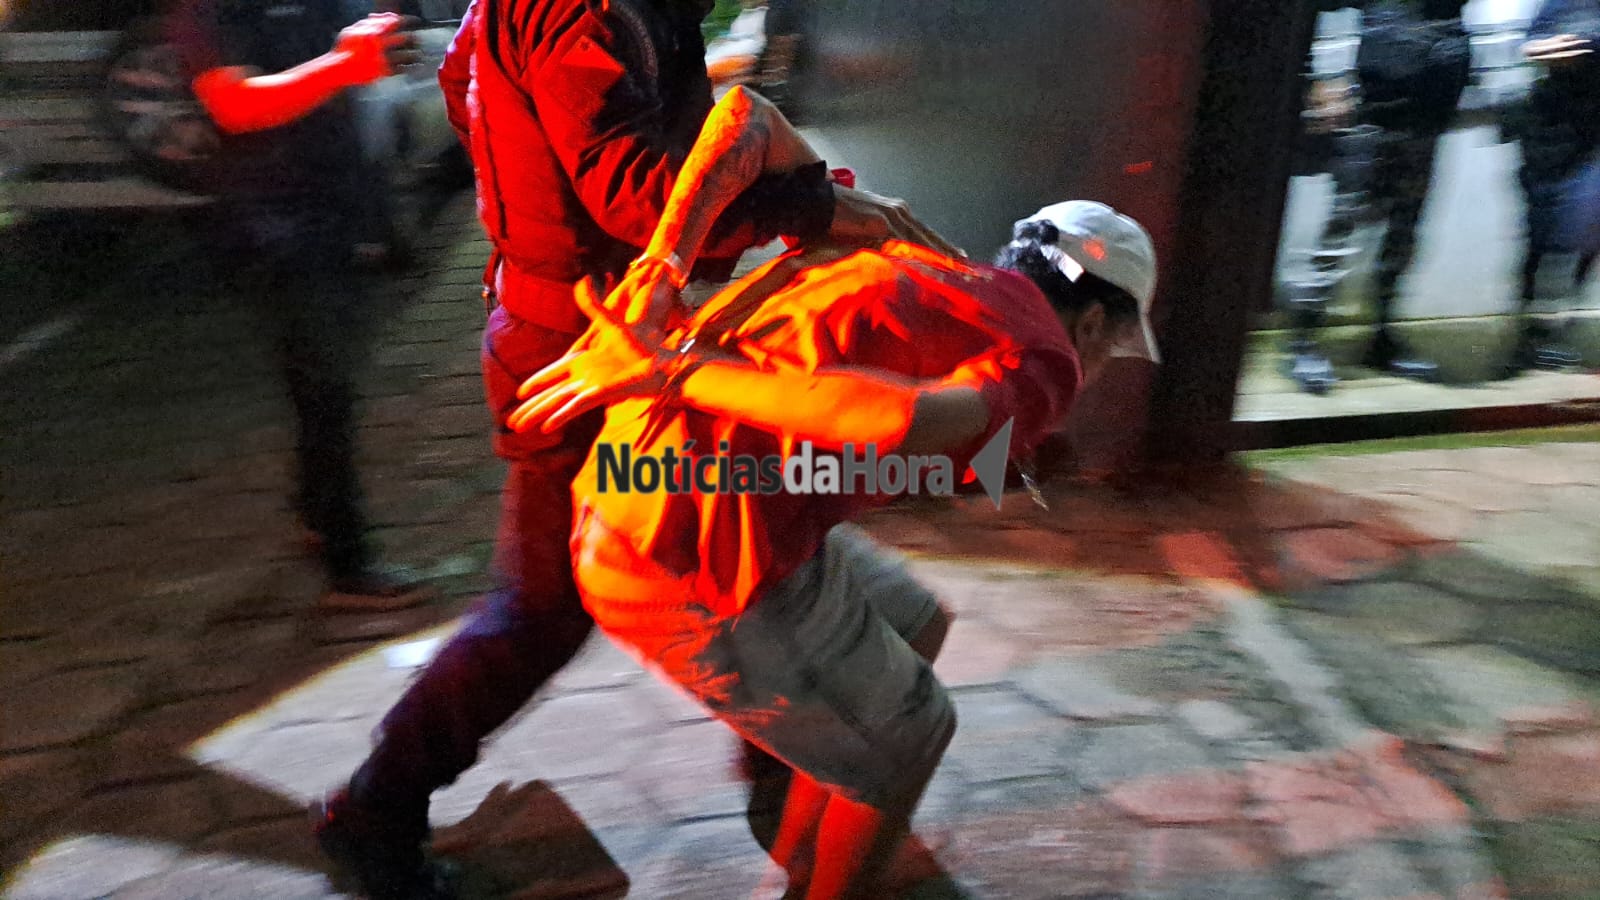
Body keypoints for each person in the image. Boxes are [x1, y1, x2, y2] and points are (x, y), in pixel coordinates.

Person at [311, 1, 958, 897]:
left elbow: (468, 82)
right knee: (548, 605)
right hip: (586, 343)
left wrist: (532, 172)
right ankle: (374, 812)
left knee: (735, 528)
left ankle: (783, 772)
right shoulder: (584, 10)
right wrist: (825, 206)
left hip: (592, 322)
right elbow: (639, 195)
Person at [509, 86, 1163, 898]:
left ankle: (807, 822)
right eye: (1113, 347)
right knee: (917, 731)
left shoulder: (937, 262)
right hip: (679, 549)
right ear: (1096, 325)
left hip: (655, 484)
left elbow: (744, 113)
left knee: (917, 622)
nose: (1099, 371)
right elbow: (896, 423)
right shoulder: (1048, 361)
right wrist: (671, 366)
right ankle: (829, 848)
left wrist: (663, 264)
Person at [174, 1, 430, 604]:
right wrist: (343, 64)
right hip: (276, 223)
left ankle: (317, 516)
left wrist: (385, 49)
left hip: (337, 208)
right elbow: (234, 104)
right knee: (324, 390)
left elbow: (357, 57)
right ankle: (348, 564)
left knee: (324, 390)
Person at [1348, 0, 1472, 379]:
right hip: (1373, 127)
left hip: (1423, 130)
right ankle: (1303, 342)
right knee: (1340, 235)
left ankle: (1381, 337)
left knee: (1401, 241)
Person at [1504, 0, 1600, 375]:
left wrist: (1582, 47)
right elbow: (1530, 47)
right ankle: (1528, 332)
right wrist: (1553, 49)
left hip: (1591, 135)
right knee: (1537, 239)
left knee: (1587, 237)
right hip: (1548, 133)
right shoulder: (1557, 4)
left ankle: (1557, 326)